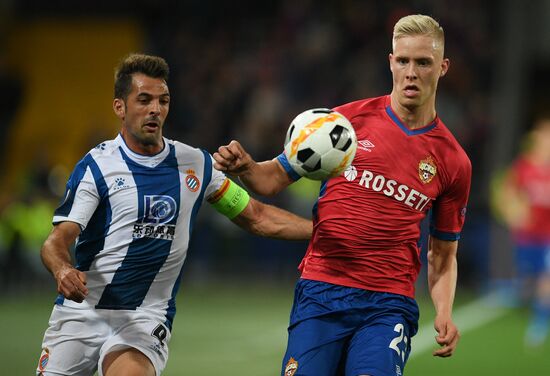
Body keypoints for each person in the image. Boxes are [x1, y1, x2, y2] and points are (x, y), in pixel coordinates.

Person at [214, 14, 472, 375]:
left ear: (442, 67)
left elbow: (443, 255)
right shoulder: (341, 123)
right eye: (403, 61)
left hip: (388, 302)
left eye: (423, 62)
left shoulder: (452, 160)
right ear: (391, 62)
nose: (411, 72)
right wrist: (245, 166)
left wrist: (444, 312)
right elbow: (270, 179)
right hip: (321, 291)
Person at [36, 53, 312, 376]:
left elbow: (257, 216)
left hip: (144, 317)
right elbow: (56, 241)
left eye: (162, 100)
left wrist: (323, 229)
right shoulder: (97, 167)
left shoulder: (196, 165)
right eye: (144, 100)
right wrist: (62, 270)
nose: (155, 109)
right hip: (82, 313)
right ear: (119, 108)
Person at [493, 115, 550, 347]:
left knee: (546, 279)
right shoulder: (524, 166)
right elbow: (506, 192)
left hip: (548, 235)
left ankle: (540, 321)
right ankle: (521, 294)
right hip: (527, 235)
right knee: (528, 279)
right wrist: (513, 213)